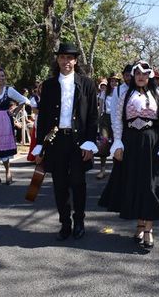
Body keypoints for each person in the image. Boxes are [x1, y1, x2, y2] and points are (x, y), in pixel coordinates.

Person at [99, 60, 159, 249]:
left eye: (144, 74)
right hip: (131, 142)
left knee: (150, 185)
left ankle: (148, 228)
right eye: (137, 74)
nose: (141, 77)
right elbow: (117, 120)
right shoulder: (125, 94)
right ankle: (140, 225)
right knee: (136, 184)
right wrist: (117, 142)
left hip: (152, 143)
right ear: (133, 75)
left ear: (149, 76)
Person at [34, 42, 98, 241]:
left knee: (78, 182)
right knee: (59, 184)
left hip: (78, 141)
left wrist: (89, 142)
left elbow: (93, 116)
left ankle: (79, 221)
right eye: (62, 57)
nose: (66, 61)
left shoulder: (87, 83)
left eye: (69, 58)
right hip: (56, 141)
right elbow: (43, 117)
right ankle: (65, 222)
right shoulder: (50, 84)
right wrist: (39, 145)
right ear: (58, 60)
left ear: (75, 60)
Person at [0, 67, 29, 187]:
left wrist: (15, 111)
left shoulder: (9, 90)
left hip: (4, 121)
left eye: (3, 76)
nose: (1, 78)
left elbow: (23, 100)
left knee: (3, 150)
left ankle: (8, 172)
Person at [96, 73, 120, 179]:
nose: (114, 83)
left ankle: (116, 170)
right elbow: (100, 107)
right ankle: (102, 169)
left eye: (116, 81)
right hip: (105, 119)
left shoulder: (121, 92)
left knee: (117, 143)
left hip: (117, 119)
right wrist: (97, 121)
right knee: (103, 142)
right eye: (112, 81)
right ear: (109, 82)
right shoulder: (104, 93)